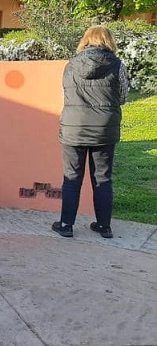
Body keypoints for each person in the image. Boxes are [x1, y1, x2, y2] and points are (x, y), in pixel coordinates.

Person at [52, 25, 128, 239]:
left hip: (73, 128)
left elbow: (67, 93)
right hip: (104, 128)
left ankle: (66, 225)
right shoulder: (117, 65)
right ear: (108, 40)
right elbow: (122, 96)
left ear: (85, 40)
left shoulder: (71, 65)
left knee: (71, 178)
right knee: (102, 178)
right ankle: (104, 227)